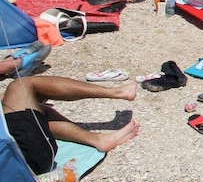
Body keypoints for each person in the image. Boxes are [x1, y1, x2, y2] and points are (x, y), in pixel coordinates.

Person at [2, 75, 139, 176]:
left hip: (17, 168)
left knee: (35, 112)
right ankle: (117, 92)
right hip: (22, 158)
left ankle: (98, 139)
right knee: (21, 85)